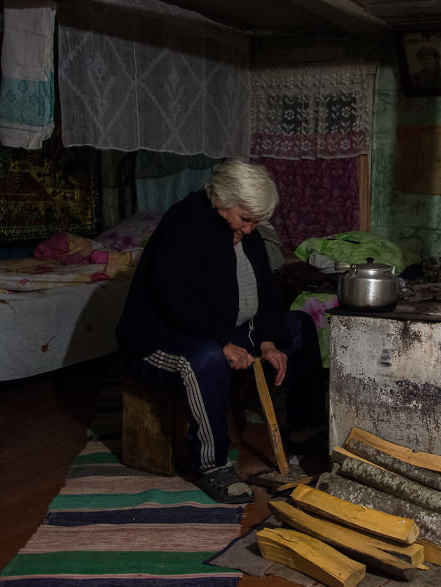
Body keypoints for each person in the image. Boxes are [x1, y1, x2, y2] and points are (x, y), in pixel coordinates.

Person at [116, 159, 325, 504]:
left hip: (222, 329)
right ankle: (212, 465)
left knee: (299, 325)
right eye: (244, 219)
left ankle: (306, 427)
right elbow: (175, 300)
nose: (249, 228)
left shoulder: (245, 231)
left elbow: (265, 290)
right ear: (220, 199)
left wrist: (268, 340)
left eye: (255, 221)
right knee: (205, 358)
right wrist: (223, 342)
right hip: (160, 336)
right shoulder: (184, 222)